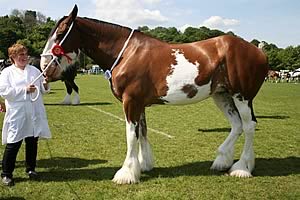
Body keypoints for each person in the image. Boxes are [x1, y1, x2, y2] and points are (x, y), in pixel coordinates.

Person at [0, 43, 51, 186]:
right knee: (13, 143)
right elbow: (4, 91)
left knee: (32, 142)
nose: (24, 57)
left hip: (34, 112)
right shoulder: (7, 73)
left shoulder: (35, 70)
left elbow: (43, 88)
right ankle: (6, 174)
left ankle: (31, 169)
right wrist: (24, 90)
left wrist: (46, 85)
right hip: (17, 113)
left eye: (25, 54)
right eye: (20, 55)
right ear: (13, 57)